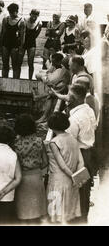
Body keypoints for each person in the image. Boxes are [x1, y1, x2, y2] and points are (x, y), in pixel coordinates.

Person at [66, 84, 97, 223]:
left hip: (79, 156)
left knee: (77, 187)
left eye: (68, 96)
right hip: (89, 153)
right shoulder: (89, 110)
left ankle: (76, 219)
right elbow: (94, 126)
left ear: (72, 99)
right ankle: (83, 216)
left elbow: (69, 141)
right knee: (85, 188)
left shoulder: (74, 118)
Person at [45, 112, 83, 223]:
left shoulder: (54, 142)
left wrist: (73, 176)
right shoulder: (73, 138)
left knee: (55, 217)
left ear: (51, 126)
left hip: (57, 182)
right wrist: (77, 178)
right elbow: (81, 161)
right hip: (71, 184)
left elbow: (62, 166)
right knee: (67, 216)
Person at [13, 114, 48, 223]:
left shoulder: (15, 143)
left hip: (21, 178)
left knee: (23, 212)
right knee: (36, 213)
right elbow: (45, 162)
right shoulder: (39, 141)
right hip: (36, 178)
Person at [35, 53, 70, 123]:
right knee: (50, 93)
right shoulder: (57, 67)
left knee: (50, 94)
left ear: (59, 61)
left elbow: (50, 81)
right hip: (58, 87)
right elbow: (49, 73)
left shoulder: (61, 70)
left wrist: (43, 76)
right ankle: (44, 115)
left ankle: (44, 116)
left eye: (54, 62)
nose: (53, 64)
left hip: (62, 88)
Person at [0, 3, 25, 79]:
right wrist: (0, 46)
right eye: (10, 12)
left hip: (15, 44)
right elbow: (2, 33)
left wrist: (21, 47)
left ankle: (15, 81)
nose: (11, 14)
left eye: (13, 12)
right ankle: (4, 80)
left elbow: (23, 36)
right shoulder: (5, 19)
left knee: (15, 65)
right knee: (5, 64)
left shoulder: (21, 21)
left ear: (17, 11)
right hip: (6, 44)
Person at [20, 9, 43, 80]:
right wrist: (21, 45)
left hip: (32, 43)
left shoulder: (39, 23)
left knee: (30, 62)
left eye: (36, 15)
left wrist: (31, 40)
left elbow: (36, 35)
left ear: (38, 16)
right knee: (19, 61)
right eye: (33, 15)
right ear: (30, 14)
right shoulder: (24, 20)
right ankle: (18, 77)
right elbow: (21, 33)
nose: (34, 17)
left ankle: (30, 79)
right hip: (23, 42)